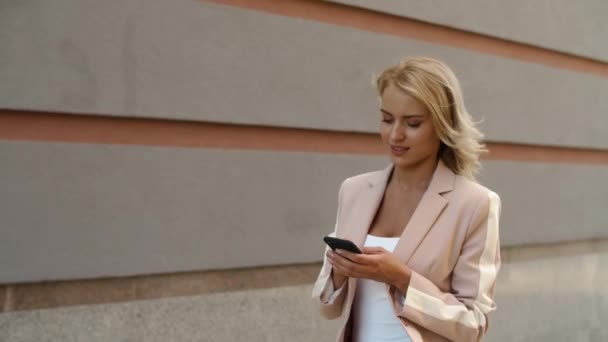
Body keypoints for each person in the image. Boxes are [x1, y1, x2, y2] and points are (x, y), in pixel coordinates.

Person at [312, 57, 501, 342]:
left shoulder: (475, 204)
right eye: (387, 119)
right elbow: (327, 307)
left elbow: (473, 324)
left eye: (412, 123)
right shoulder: (354, 191)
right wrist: (338, 274)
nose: (395, 135)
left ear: (441, 124)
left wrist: (402, 278)